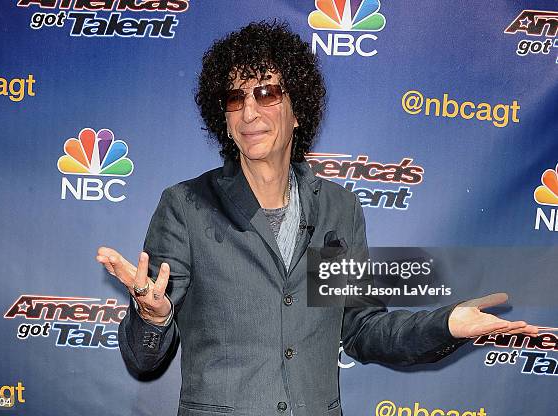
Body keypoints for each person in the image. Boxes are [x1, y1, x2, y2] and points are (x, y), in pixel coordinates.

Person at [96, 21, 538, 416]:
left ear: (298, 109)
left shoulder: (338, 209)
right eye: (236, 97)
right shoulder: (186, 205)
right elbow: (143, 359)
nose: (250, 111)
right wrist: (152, 317)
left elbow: (361, 329)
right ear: (224, 120)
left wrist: (446, 324)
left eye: (266, 92)